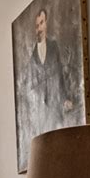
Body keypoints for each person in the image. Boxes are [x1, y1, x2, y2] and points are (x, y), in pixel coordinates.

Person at [26, 8, 72, 136]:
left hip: (55, 110)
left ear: (46, 23)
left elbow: (59, 74)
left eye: (42, 23)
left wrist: (64, 98)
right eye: (37, 25)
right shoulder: (32, 59)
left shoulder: (54, 46)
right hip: (41, 117)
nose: (40, 28)